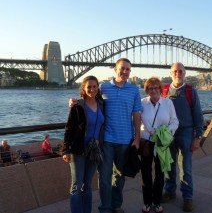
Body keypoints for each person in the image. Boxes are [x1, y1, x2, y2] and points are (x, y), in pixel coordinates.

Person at [69, 58, 142, 213]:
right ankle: (105, 208)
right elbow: (89, 99)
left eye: (128, 69)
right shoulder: (103, 87)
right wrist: (74, 102)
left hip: (125, 140)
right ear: (115, 69)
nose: (125, 71)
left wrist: (137, 138)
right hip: (106, 141)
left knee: (120, 177)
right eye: (122, 68)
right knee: (104, 178)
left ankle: (116, 205)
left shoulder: (134, 90)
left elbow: (136, 115)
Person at [162, 62, 204, 212]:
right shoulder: (164, 90)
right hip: (168, 133)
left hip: (186, 132)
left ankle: (187, 197)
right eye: (175, 71)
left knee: (185, 167)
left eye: (180, 71)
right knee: (169, 165)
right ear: (170, 73)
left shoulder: (190, 91)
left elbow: (198, 115)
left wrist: (197, 137)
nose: (177, 74)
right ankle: (170, 191)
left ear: (184, 73)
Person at [63, 75, 105, 213]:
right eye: (89, 87)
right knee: (77, 185)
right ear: (83, 88)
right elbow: (69, 128)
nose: (92, 89)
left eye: (94, 86)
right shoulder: (78, 106)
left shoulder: (101, 104)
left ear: (98, 88)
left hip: (94, 150)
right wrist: (66, 150)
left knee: (87, 185)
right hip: (78, 150)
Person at [140, 77, 179, 213]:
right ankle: (147, 202)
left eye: (156, 87)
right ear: (147, 90)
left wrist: (166, 134)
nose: (154, 90)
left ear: (160, 89)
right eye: (150, 88)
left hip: (162, 143)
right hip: (146, 141)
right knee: (146, 173)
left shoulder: (168, 103)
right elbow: (134, 118)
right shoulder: (142, 103)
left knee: (160, 173)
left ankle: (156, 202)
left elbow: (175, 122)